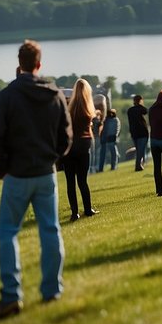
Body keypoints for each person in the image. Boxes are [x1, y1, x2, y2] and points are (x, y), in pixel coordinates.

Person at [0, 39, 73, 321]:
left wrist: (4, 167)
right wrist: (53, 159)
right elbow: (66, 137)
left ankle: (11, 296)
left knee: (8, 233)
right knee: (50, 230)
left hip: (17, 175)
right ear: (39, 64)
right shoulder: (55, 94)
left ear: (19, 64)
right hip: (46, 173)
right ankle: (52, 290)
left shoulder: (7, 96)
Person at [62, 80, 96, 221]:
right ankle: (88, 209)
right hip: (83, 146)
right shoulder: (88, 109)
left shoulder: (69, 108)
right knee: (82, 180)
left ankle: (74, 212)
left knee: (70, 182)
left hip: (69, 147)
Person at [126, 94, 149, 171]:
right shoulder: (140, 109)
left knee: (138, 149)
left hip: (134, 133)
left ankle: (140, 164)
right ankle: (138, 165)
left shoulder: (130, 110)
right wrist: (140, 104)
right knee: (141, 150)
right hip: (142, 131)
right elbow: (145, 111)